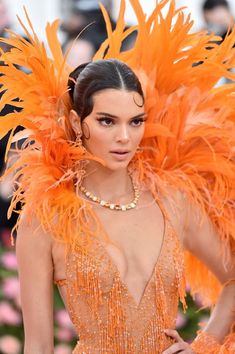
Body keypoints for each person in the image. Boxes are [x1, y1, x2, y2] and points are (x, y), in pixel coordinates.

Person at [0, 0, 234, 353]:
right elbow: (38, 347)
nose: (125, 137)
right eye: (107, 121)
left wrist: (204, 345)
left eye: (135, 121)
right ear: (79, 124)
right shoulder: (46, 220)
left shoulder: (172, 201)